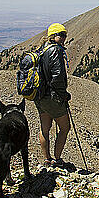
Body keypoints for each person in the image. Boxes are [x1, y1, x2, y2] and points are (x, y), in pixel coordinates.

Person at [35, 23, 71, 167]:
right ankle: (57, 159)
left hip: (40, 96)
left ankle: (47, 159)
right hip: (53, 96)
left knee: (45, 128)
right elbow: (57, 77)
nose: (63, 38)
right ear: (53, 36)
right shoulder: (56, 50)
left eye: (64, 35)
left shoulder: (41, 50)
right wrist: (64, 95)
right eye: (60, 35)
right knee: (65, 127)